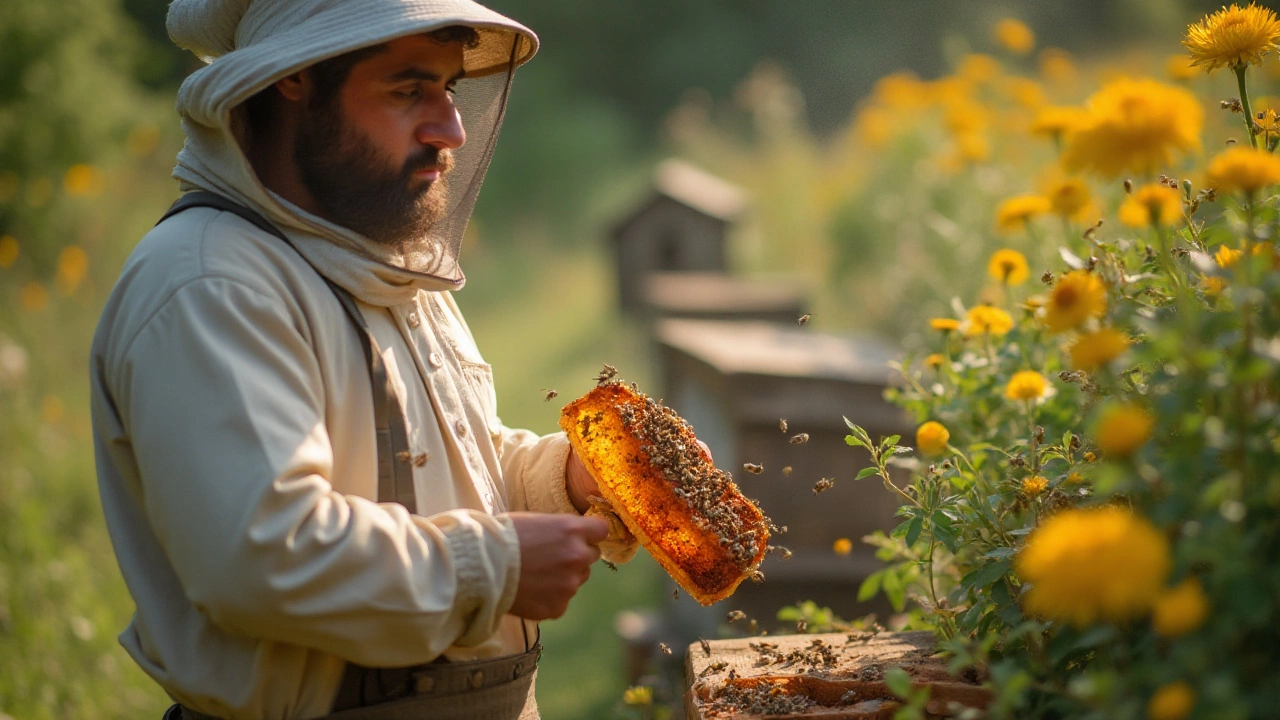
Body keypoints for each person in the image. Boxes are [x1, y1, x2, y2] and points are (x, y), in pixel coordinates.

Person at [89, 1, 633, 718]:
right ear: (294, 81)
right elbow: (264, 558)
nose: (451, 127)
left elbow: (442, 473)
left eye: (448, 88)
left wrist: (564, 478)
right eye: (408, 91)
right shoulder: (211, 282)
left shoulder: (380, 258)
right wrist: (492, 566)